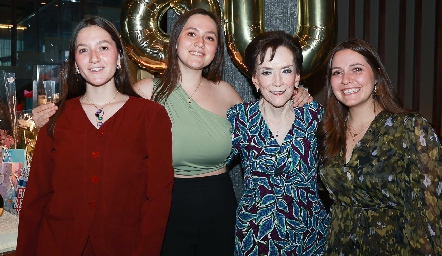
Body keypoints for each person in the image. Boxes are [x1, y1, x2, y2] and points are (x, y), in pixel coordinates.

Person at [30, 9, 312, 255]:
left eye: (210, 37)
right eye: (191, 33)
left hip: (219, 205)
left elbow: (265, 126)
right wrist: (53, 115)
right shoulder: (146, 92)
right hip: (166, 209)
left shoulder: (227, 94)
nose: (200, 43)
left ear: (217, 49)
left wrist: (299, 96)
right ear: (175, 39)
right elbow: (101, 112)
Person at [16, 16, 174, 255]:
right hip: (56, 245)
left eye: (103, 47)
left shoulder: (151, 116)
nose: (94, 58)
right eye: (83, 50)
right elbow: (36, 198)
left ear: (119, 57)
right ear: (76, 64)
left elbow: (158, 200)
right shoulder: (56, 118)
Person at [317, 38, 442, 255]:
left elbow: (428, 216)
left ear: (376, 76)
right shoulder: (328, 133)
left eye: (356, 69)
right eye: (337, 72)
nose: (346, 79)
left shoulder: (410, 129)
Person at [227, 31, 329, 255]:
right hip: (256, 237)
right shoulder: (240, 118)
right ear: (254, 78)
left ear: (297, 76)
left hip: (309, 236)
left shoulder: (315, 117)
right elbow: (209, 164)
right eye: (266, 72)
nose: (278, 82)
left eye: (286, 71)